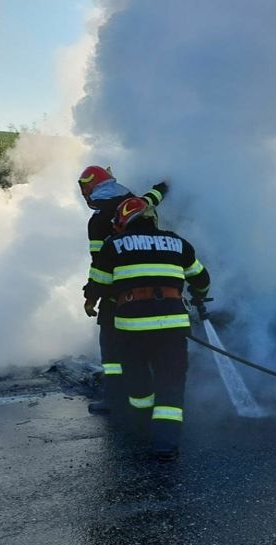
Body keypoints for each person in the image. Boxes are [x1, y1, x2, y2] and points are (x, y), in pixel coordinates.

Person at [83, 196, 211, 460]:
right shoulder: (178, 243)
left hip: (131, 330)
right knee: (171, 384)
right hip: (173, 328)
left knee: (138, 384)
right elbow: (202, 279)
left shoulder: (113, 245)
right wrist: (198, 295)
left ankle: (141, 430)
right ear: (151, 218)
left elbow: (100, 284)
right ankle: (165, 445)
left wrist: (90, 299)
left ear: (122, 222)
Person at [78, 166, 168, 415]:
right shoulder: (137, 202)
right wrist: (166, 184)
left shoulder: (98, 221)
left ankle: (115, 398)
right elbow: (154, 196)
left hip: (118, 294)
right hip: (157, 286)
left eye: (84, 188)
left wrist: (90, 297)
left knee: (111, 348)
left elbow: (99, 265)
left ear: (90, 188)